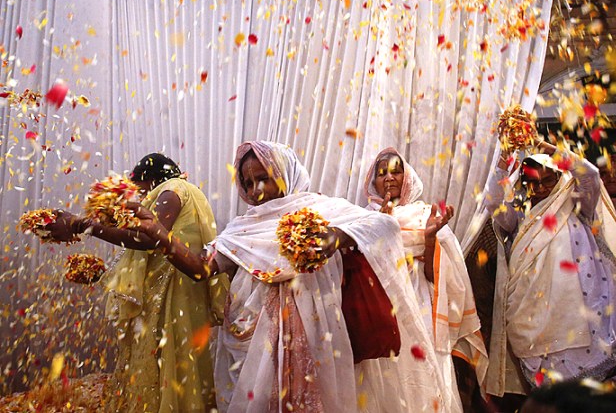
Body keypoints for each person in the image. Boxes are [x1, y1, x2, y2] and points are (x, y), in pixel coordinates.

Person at [133, 141, 448, 412]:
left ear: (284, 174)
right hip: (253, 343)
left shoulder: (321, 209)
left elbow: (384, 227)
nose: (257, 189)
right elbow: (201, 268)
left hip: (317, 342)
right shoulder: (242, 228)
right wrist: (158, 234)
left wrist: (336, 236)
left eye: (265, 178)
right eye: (248, 181)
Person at [47, 153, 226, 412]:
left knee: (166, 357)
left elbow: (146, 239)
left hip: (173, 288)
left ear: (149, 180)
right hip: (180, 286)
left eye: (140, 192)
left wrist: (81, 225)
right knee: (173, 359)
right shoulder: (186, 192)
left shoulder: (172, 189)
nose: (140, 200)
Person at [484, 139, 616, 398]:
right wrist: (503, 161)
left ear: (560, 178)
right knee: (548, 398)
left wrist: (546, 148)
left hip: (575, 321)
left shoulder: (577, 206)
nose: (540, 188)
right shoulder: (520, 216)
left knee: (582, 397)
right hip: (531, 321)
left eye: (547, 181)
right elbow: (494, 204)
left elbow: (590, 175)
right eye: (534, 183)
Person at [364, 148, 488, 412]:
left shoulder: (424, 216)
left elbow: (437, 278)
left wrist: (430, 239)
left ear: (407, 176)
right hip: (382, 313)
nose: (389, 178)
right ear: (372, 182)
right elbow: (364, 273)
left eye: (396, 171)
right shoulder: (362, 220)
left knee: (424, 377)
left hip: (422, 310)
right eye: (382, 173)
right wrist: (381, 226)